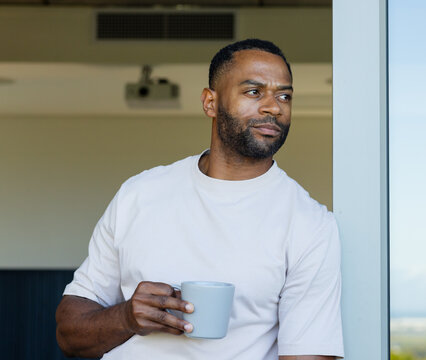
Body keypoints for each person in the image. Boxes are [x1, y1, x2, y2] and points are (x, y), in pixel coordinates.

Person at [56, 38, 343, 360]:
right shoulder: (140, 194)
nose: (273, 107)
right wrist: (126, 317)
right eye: (253, 92)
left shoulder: (310, 224)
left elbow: (309, 354)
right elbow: (69, 333)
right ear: (210, 102)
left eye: (284, 96)